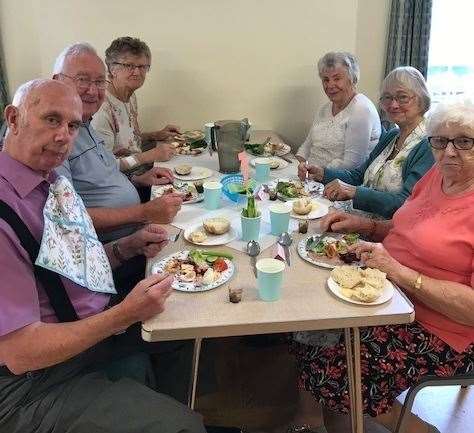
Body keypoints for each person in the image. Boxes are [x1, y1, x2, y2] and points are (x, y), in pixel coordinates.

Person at [0, 79, 205, 433]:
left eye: (73, 125)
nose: (65, 136)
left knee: (182, 329)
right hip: (30, 384)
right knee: (182, 428)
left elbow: (70, 266)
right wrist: (125, 314)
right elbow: (20, 353)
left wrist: (127, 246)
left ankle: (151, 405)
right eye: (52, 119)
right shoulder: (5, 212)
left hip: (86, 333)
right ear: (14, 118)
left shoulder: (52, 183)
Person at [290, 100, 474, 433]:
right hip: (386, 294)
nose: (449, 152)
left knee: (336, 368)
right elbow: (407, 225)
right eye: (440, 141)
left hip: (441, 328)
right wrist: (366, 226)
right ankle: (321, 420)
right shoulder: (436, 176)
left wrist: (399, 272)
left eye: (464, 141)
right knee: (309, 328)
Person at [53, 43, 183, 243]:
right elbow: (66, 218)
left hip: (135, 224)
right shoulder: (56, 139)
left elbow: (105, 171)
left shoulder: (85, 122)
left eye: (98, 82)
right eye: (82, 80)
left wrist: (139, 180)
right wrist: (143, 212)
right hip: (113, 244)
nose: (92, 90)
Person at [299, 66, 435, 218]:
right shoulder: (392, 136)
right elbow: (358, 176)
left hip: (384, 232)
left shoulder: (430, 145)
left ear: (422, 99)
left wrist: (355, 192)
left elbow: (407, 203)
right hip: (355, 217)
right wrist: (323, 173)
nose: (393, 105)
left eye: (402, 97)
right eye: (387, 98)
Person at [91, 36, 178, 173]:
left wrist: (155, 135)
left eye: (142, 66)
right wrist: (149, 156)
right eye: (129, 66)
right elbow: (104, 166)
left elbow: (127, 142)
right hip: (123, 182)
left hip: (140, 172)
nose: (137, 72)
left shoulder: (130, 96)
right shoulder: (100, 109)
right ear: (112, 68)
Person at [295, 52, 381, 169]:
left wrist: (314, 172)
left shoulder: (362, 110)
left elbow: (352, 164)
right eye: (326, 80)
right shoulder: (324, 109)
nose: (330, 85)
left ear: (353, 79)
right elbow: (307, 146)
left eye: (337, 78)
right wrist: (298, 165)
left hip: (335, 181)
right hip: (309, 175)